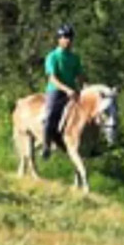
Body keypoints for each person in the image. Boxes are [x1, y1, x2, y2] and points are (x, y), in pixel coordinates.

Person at [41, 23, 85, 159]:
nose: (68, 40)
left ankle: (89, 144)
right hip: (56, 91)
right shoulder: (52, 56)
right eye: (65, 37)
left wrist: (87, 87)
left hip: (72, 92)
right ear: (59, 39)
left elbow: (81, 76)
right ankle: (46, 145)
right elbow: (52, 78)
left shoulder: (75, 58)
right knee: (50, 116)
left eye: (70, 37)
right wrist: (67, 89)